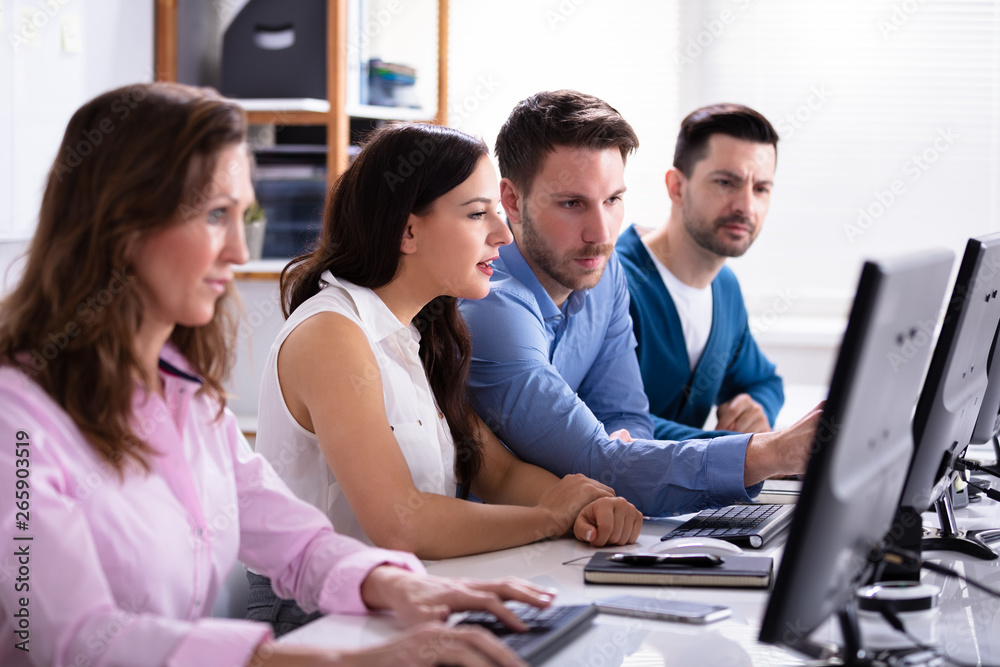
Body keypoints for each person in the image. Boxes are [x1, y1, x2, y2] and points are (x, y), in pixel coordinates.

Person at [0, 82, 560, 667]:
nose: (240, 251)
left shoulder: (184, 394)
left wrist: (401, 586)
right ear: (121, 224)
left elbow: (298, 542)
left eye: (244, 216)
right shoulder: (17, 421)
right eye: (216, 215)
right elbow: (71, 640)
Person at [249, 122, 642, 632]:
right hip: (314, 616)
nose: (502, 234)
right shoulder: (333, 334)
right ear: (407, 231)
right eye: (478, 214)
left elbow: (496, 472)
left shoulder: (421, 331)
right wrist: (549, 517)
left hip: (407, 593)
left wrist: (587, 504)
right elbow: (400, 521)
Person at [459, 90, 821, 518]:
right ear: (513, 201)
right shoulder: (490, 305)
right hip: (490, 543)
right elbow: (598, 458)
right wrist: (773, 453)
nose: (600, 233)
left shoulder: (603, 272)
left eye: (613, 200)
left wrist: (626, 460)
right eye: (572, 204)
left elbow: (625, 417)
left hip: (579, 530)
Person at [616, 103, 784, 441]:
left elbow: (763, 381)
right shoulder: (612, 282)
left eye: (761, 188)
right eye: (725, 182)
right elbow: (613, 423)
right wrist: (752, 451)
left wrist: (754, 411)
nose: (746, 206)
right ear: (676, 186)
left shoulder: (724, 288)